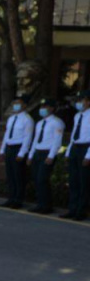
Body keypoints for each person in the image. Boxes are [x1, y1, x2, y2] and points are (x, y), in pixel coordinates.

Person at [27, 98, 64, 214]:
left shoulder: (57, 122)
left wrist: (51, 155)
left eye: (45, 107)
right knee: (37, 179)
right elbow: (35, 140)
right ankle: (40, 204)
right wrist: (30, 155)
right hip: (38, 152)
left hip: (47, 153)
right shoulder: (39, 123)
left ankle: (47, 206)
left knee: (42, 179)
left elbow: (57, 141)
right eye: (42, 107)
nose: (42, 109)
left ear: (52, 108)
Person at [0, 95, 34, 209]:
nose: (15, 105)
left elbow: (27, 138)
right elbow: (6, 135)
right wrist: (2, 149)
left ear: (24, 105)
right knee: (10, 175)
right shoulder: (11, 118)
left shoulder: (27, 119)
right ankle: (11, 198)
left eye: (18, 103)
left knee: (19, 176)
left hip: (18, 149)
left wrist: (22, 153)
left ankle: (18, 200)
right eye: (14, 103)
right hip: (9, 148)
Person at [62, 89, 90, 220]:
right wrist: (68, 152)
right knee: (73, 181)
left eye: (82, 100)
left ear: (88, 102)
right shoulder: (77, 115)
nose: (79, 103)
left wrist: (88, 156)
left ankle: (81, 211)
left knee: (83, 182)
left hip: (86, 149)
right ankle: (72, 209)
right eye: (78, 100)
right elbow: (74, 135)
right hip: (75, 148)